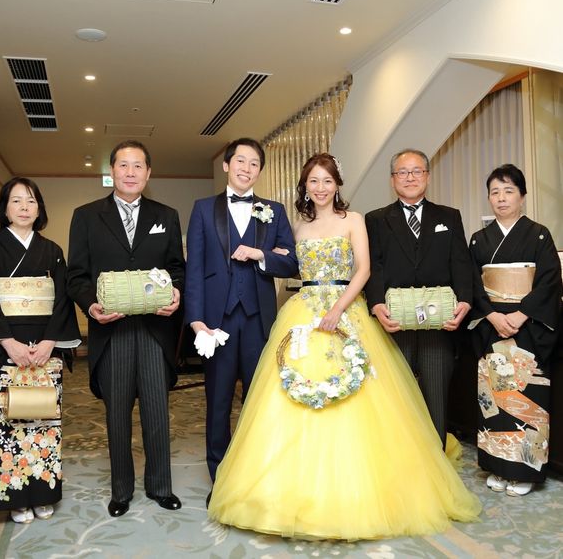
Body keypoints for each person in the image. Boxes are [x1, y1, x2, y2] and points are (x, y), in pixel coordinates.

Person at [208, 153, 480, 540]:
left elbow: (365, 269)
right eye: (313, 181)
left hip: (345, 309)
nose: (320, 188)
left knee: (364, 396)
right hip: (303, 311)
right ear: (305, 187)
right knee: (288, 396)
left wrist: (338, 308)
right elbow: (289, 265)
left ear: (337, 185)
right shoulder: (296, 225)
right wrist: (265, 255)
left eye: (327, 181)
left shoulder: (354, 220)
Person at [67, 140, 185, 517]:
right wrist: (91, 305)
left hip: (154, 329)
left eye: (138, 166)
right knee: (116, 414)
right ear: (111, 171)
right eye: (123, 165)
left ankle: (160, 486)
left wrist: (176, 293)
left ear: (148, 173)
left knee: (156, 412)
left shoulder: (166, 215)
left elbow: (177, 268)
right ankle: (121, 491)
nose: (130, 172)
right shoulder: (86, 216)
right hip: (111, 331)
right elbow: (76, 276)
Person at [184, 138, 298, 497]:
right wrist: (196, 320)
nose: (246, 168)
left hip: (257, 320)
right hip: (216, 322)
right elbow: (194, 269)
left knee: (258, 402)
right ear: (226, 165)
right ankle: (221, 480)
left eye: (253, 163)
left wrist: (261, 254)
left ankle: (255, 476)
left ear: (259, 170)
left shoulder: (274, 210)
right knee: (218, 402)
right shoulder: (203, 209)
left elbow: (292, 262)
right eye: (240, 161)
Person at [0, 178, 80, 524]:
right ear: (5, 207)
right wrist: (7, 341)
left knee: (44, 423)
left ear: (39, 208)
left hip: (44, 350)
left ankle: (42, 495)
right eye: (16, 200)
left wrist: (50, 342)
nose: (24, 207)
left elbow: (63, 299)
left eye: (31, 201)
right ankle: (16, 499)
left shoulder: (52, 250)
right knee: (8, 424)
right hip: (3, 349)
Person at [365, 148, 472, 448]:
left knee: (437, 396)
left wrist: (465, 301)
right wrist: (376, 304)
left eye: (416, 171)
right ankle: (397, 455)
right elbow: (373, 266)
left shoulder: (449, 216)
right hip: (394, 323)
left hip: (439, 323)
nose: (409, 177)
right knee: (394, 396)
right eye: (402, 172)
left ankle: (436, 455)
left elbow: (461, 263)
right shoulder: (376, 219)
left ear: (427, 175)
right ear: (392, 179)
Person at [469, 164, 562, 497]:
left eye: (509, 191)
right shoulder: (479, 240)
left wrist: (521, 315)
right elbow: (472, 284)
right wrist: (493, 315)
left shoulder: (539, 235)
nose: (501, 198)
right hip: (492, 327)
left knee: (526, 397)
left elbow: (549, 281)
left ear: (522, 196)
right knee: (494, 399)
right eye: (494, 192)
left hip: (528, 328)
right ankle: (498, 466)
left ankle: (524, 470)